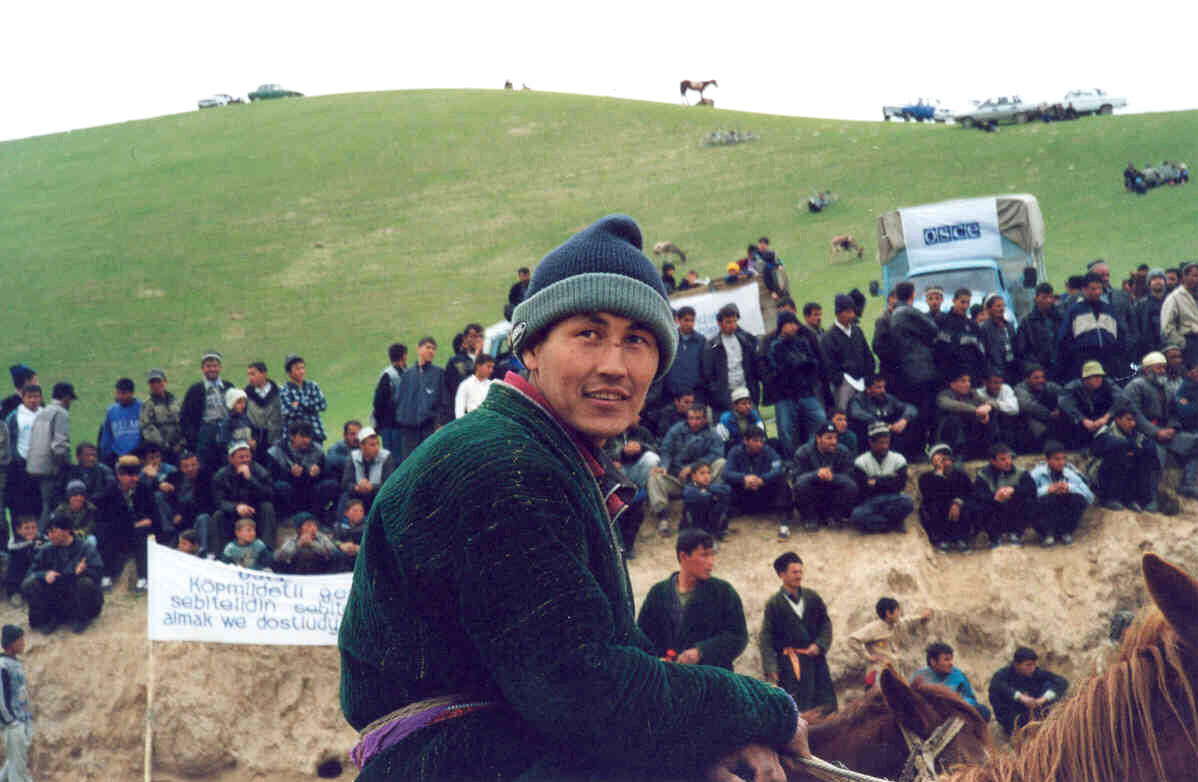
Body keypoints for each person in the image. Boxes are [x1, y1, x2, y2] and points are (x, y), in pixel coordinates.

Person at [339, 214, 811, 781]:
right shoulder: (501, 465)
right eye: (588, 334)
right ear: (531, 347)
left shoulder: (548, 457)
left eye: (636, 340)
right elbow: (582, 688)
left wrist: (708, 740)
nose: (613, 364)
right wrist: (765, 709)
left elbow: (615, 654)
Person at [636, 528, 748, 671]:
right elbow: (643, 637)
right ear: (683, 557)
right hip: (670, 679)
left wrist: (701, 651)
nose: (711, 562)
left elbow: (738, 637)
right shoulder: (658, 593)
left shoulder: (723, 592)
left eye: (712, 555)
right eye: (704, 555)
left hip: (713, 680)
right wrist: (658, 661)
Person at [760, 551, 837, 714]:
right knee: (799, 711)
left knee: (825, 707)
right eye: (794, 572)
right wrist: (771, 667)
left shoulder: (812, 597)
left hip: (816, 661)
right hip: (790, 666)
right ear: (782, 575)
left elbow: (825, 623)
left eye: (800, 572)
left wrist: (819, 644)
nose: (799, 576)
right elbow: (766, 638)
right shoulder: (774, 604)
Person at [649, 405, 725, 535]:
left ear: (705, 419)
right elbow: (666, 450)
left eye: (698, 419)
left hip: (702, 479)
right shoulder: (676, 430)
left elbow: (716, 454)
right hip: (677, 478)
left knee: (721, 463)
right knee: (654, 477)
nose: (694, 422)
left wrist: (693, 467)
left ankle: (713, 501)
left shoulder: (713, 434)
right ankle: (662, 517)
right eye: (691, 418)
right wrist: (664, 467)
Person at [22, 516, 103, 634]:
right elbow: (30, 573)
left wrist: (84, 571)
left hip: (77, 596)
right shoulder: (46, 550)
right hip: (55, 596)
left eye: (53, 531)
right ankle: (49, 618)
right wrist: (44, 574)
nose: (50, 536)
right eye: (48, 532)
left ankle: (82, 618)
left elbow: (99, 572)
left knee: (85, 582)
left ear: (66, 530)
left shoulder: (85, 547)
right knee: (29, 583)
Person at [96, 454, 163, 592]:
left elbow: (154, 518)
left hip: (139, 534)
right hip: (116, 535)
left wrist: (141, 524)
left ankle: (143, 578)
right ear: (119, 475)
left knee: (143, 535)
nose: (135, 479)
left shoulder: (144, 490)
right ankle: (106, 575)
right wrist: (136, 524)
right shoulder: (109, 493)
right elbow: (107, 520)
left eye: (136, 474)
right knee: (106, 533)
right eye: (130, 475)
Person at [768, 310, 825, 457]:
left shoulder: (802, 342)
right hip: (785, 396)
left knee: (820, 420)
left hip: (805, 392)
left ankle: (811, 454)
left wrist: (799, 365)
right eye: (790, 324)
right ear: (782, 326)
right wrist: (800, 364)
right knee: (785, 431)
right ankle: (790, 461)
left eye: (795, 323)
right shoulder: (775, 346)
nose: (795, 327)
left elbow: (813, 363)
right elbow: (781, 369)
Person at [889, 282, 940, 444]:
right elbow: (933, 329)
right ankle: (930, 444)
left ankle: (917, 447)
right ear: (912, 295)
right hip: (921, 368)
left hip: (905, 370)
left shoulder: (894, 314)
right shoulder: (908, 312)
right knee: (927, 410)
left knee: (914, 410)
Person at [788, 422, 857, 534]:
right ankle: (810, 517)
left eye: (835, 437)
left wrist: (833, 477)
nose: (834, 442)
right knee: (801, 486)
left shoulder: (843, 451)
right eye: (829, 438)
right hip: (813, 493)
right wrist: (815, 475)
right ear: (818, 438)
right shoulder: (803, 452)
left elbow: (850, 476)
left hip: (832, 492)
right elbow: (795, 479)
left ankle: (834, 516)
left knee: (851, 486)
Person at [847, 597, 932, 687]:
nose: (899, 613)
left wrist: (921, 617)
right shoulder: (873, 628)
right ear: (888, 613)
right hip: (878, 674)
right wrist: (868, 656)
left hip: (893, 672)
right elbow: (852, 639)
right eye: (897, 610)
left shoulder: (896, 624)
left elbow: (907, 620)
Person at [210, 441, 277, 554]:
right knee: (218, 515)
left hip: (255, 511)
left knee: (267, 507)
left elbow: (270, 494)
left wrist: (251, 479)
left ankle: (267, 551)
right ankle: (221, 554)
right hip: (234, 514)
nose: (245, 460)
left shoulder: (260, 471)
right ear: (231, 459)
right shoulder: (221, 476)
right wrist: (236, 507)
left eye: (247, 456)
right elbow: (218, 501)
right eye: (241, 457)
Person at [1089, 403, 1158, 512]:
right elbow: (1107, 443)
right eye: (1129, 420)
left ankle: (1135, 499)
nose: (1133, 424)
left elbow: (1149, 446)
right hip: (1100, 478)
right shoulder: (1106, 431)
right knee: (1118, 454)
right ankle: (1110, 498)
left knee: (1144, 457)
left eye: (1134, 420)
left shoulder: (1135, 434)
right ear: (1117, 419)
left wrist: (1138, 450)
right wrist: (1130, 445)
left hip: (1125, 478)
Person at [1058, 272, 1126, 381]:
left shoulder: (1109, 310)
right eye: (1093, 289)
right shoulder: (1075, 311)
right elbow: (1064, 339)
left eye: (1099, 288)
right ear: (1084, 290)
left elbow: (1121, 336)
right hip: (1083, 363)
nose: (1097, 292)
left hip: (1108, 362)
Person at [26, 382, 75, 531]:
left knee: (43, 506)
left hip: (34, 467)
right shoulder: (61, 413)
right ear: (66, 398)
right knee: (51, 507)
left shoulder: (42, 411)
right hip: (50, 469)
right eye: (70, 399)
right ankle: (42, 539)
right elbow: (59, 446)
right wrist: (67, 465)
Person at [988, 647, 1068, 736]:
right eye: (1028, 665)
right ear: (1016, 664)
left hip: (1033, 711)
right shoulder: (1002, 675)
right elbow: (999, 687)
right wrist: (1020, 697)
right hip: (1011, 716)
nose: (1032, 668)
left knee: (1050, 685)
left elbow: (1061, 681)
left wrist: (1043, 699)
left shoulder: (1035, 672)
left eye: (1034, 664)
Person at [850, 423, 914, 533]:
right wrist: (889, 480)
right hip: (870, 501)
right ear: (871, 442)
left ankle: (880, 524)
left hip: (893, 499)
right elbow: (863, 488)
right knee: (857, 515)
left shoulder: (899, 459)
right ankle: (892, 524)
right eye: (881, 443)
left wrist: (875, 481)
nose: (885, 446)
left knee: (907, 502)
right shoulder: (861, 462)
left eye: (887, 442)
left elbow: (900, 485)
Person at [267, 421, 338, 519]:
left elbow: (330, 475)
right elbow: (271, 478)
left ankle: (317, 516)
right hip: (290, 492)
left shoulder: (318, 450)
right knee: (280, 487)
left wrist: (319, 472)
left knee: (331, 484)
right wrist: (289, 474)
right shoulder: (276, 451)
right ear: (292, 437)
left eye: (309, 437)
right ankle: (289, 518)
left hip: (311, 491)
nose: (307, 441)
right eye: (303, 437)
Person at [395, 337, 450, 462]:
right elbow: (399, 401)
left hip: (429, 429)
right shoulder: (407, 375)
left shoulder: (439, 374)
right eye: (428, 347)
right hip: (409, 433)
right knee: (410, 465)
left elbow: (444, 401)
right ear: (418, 349)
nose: (431, 351)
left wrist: (439, 423)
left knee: (430, 463)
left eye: (434, 349)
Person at [1028, 441, 1094, 545]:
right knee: (1046, 499)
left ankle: (1066, 532)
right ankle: (1047, 533)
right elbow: (1025, 494)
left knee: (1078, 499)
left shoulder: (1069, 472)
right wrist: (1047, 490)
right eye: (1057, 459)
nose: (1061, 462)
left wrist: (1069, 488)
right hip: (1045, 515)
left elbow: (1090, 497)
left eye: (1063, 458)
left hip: (1064, 514)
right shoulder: (1037, 473)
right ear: (1047, 460)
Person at [702, 304, 761, 419]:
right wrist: (718, 396)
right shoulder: (712, 345)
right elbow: (708, 375)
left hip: (746, 393)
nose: (733, 325)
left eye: (734, 321)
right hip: (725, 398)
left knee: (755, 430)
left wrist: (753, 390)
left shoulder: (745, 340)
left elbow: (754, 366)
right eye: (728, 322)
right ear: (719, 323)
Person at [971, 443, 1036, 546]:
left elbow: (1031, 489)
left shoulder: (1021, 472)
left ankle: (1015, 534)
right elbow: (978, 495)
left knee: (1029, 502)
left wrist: (1014, 490)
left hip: (1014, 510)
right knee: (981, 507)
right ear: (992, 461)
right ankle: (994, 537)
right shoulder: (983, 475)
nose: (1008, 462)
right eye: (1003, 459)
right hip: (995, 510)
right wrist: (995, 497)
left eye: (1009, 458)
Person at [820, 294, 875, 412]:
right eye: (848, 312)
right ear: (839, 313)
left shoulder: (857, 331)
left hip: (862, 382)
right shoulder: (828, 337)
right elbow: (829, 365)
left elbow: (867, 355)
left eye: (853, 312)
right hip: (844, 385)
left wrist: (868, 378)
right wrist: (841, 380)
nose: (852, 315)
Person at [913, 642, 991, 722]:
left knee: (983, 711)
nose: (951, 663)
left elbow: (970, 698)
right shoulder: (919, 676)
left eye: (951, 659)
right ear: (933, 662)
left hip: (956, 714)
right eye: (946, 659)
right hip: (930, 716)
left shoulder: (957, 675)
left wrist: (959, 701)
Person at [917, 443, 975, 552]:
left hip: (957, 509)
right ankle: (940, 540)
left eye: (948, 460)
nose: (946, 463)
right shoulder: (926, 478)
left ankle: (961, 539)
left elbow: (969, 492)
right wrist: (939, 475)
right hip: (939, 510)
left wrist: (958, 503)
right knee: (933, 507)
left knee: (967, 507)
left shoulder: (960, 475)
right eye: (942, 460)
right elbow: (931, 496)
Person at [180, 351, 234, 468]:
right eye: (208, 366)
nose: (212, 369)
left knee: (228, 466)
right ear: (202, 368)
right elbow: (185, 418)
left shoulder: (229, 387)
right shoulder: (195, 390)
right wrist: (194, 439)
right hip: (205, 436)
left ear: (220, 367)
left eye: (215, 366)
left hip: (227, 432)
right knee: (205, 468)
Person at [846, 374, 919, 459]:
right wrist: (883, 425)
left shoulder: (888, 398)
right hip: (868, 435)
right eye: (878, 387)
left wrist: (904, 420)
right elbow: (857, 414)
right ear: (868, 389)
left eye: (883, 387)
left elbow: (910, 408)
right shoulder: (857, 400)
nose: (883, 390)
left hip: (890, 433)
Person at [721, 427, 786, 520]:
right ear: (745, 441)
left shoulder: (768, 451)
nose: (759, 444)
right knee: (726, 486)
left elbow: (778, 469)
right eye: (755, 441)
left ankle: (782, 511)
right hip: (744, 492)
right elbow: (726, 473)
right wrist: (743, 478)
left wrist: (762, 479)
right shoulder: (735, 452)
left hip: (763, 490)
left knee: (781, 479)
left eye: (761, 441)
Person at [1058, 360, 1123, 448]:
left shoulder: (1107, 384)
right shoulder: (1073, 387)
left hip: (1102, 422)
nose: (1099, 379)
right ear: (1086, 378)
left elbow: (1121, 398)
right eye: (1095, 376)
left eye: (1100, 376)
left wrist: (1106, 417)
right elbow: (1064, 403)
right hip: (1080, 424)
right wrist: (1083, 420)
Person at [935, 371, 998, 460]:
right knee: (953, 419)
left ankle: (994, 448)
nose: (968, 384)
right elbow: (951, 405)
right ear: (953, 384)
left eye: (968, 381)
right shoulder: (944, 395)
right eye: (963, 381)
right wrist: (976, 410)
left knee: (991, 415)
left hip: (970, 434)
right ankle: (958, 453)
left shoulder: (972, 394)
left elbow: (992, 402)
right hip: (950, 437)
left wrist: (987, 406)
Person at [934, 288, 988, 388]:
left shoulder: (972, 325)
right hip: (947, 378)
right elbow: (936, 349)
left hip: (969, 377)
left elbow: (980, 353)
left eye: (968, 303)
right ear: (954, 300)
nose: (965, 306)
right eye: (962, 302)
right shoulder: (941, 320)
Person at [5, 384, 43, 524]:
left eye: (36, 397)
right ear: (23, 398)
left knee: (38, 505)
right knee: (20, 506)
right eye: (30, 397)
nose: (33, 400)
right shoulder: (14, 417)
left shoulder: (45, 414)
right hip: (21, 467)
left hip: (41, 468)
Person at [0, 624, 34, 781]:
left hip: (21, 721)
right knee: (18, 772)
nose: (23, 643)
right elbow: (1, 699)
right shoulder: (3, 666)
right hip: (13, 725)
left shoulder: (15, 663)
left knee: (14, 765)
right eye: (20, 640)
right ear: (11, 643)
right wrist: (11, 721)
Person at [338, 426, 395, 517]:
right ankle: (342, 525)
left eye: (377, 444)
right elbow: (345, 483)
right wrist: (357, 487)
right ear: (362, 446)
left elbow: (389, 484)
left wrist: (371, 487)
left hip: (377, 495)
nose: (376, 448)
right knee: (345, 497)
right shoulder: (353, 457)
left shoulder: (386, 456)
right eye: (372, 445)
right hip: (358, 495)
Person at [1013, 363, 1067, 454]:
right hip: (1028, 423)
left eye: (1042, 377)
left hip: (1049, 419)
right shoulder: (1020, 389)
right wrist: (1049, 414)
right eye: (1036, 378)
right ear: (1027, 379)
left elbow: (1065, 395)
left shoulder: (1049, 386)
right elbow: (1027, 405)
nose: (1040, 380)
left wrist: (1059, 408)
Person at [1016, 283, 1063, 380]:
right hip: (1038, 371)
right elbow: (1023, 351)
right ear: (1036, 298)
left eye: (1050, 297)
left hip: (1061, 367)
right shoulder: (1027, 322)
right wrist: (1035, 368)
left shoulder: (1060, 318)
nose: (1048, 301)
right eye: (1044, 297)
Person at [139, 369, 186, 463]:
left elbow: (183, 421)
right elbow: (147, 429)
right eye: (152, 383)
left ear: (165, 382)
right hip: (161, 451)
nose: (156, 385)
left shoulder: (176, 401)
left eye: (158, 381)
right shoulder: (147, 405)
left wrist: (181, 443)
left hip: (179, 448)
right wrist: (165, 445)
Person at [279, 354, 328, 444]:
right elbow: (288, 412)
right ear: (289, 372)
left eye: (302, 368)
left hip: (315, 434)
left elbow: (322, 405)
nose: (301, 371)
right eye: (297, 369)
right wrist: (310, 405)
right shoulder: (284, 390)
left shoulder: (313, 386)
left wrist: (300, 403)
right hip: (295, 439)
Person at [662, 306, 704, 408]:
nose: (689, 324)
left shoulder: (701, 341)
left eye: (692, 320)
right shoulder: (669, 339)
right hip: (671, 397)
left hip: (695, 396)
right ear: (678, 320)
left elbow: (705, 369)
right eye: (686, 320)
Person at [273, 513, 341, 574]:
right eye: (308, 526)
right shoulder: (292, 539)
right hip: (297, 573)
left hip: (320, 573)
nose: (313, 528)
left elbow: (334, 553)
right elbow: (277, 556)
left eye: (315, 525)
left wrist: (313, 544)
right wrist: (298, 545)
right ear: (299, 529)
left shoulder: (322, 537)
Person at [1160, 261, 1198, 367]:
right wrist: (1183, 344)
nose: (1197, 279)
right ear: (1184, 277)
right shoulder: (1174, 298)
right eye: (1195, 275)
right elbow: (1166, 328)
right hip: (1189, 344)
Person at [681, 461, 732, 538]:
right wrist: (711, 496)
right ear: (693, 477)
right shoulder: (689, 488)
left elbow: (727, 489)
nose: (706, 476)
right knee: (701, 501)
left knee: (723, 499)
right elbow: (696, 496)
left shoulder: (711, 486)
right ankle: (699, 534)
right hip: (695, 524)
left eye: (708, 473)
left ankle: (718, 530)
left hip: (710, 520)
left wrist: (708, 489)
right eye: (702, 473)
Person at [244, 361, 283, 461]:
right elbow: (243, 419)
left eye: (253, 374)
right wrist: (249, 438)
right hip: (255, 441)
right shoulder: (245, 395)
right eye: (249, 374)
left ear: (264, 374)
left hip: (276, 439)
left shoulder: (280, 392)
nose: (250, 377)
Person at [371, 344, 407, 452]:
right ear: (403, 356)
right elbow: (379, 402)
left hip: (396, 424)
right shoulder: (390, 375)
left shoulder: (398, 372)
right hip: (391, 425)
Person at [99, 378, 142, 465]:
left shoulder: (142, 407)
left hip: (138, 455)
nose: (120, 396)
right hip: (117, 456)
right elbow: (107, 436)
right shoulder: (111, 411)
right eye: (118, 393)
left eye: (123, 393)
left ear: (131, 393)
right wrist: (105, 454)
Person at [979, 296, 1020, 384]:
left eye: (1003, 306)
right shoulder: (984, 329)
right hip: (995, 375)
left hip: (1012, 372)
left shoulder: (1009, 326)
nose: (1001, 309)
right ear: (989, 309)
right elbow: (983, 355)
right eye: (998, 306)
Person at [714, 387, 765, 452]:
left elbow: (761, 436)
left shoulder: (754, 415)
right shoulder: (726, 419)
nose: (748, 406)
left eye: (749, 403)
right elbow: (722, 442)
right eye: (744, 404)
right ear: (734, 406)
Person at [1132, 269, 1168, 359]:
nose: (1158, 281)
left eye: (1160, 278)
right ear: (1149, 283)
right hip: (1149, 349)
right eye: (1154, 279)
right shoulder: (1141, 305)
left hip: (1169, 346)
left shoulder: (1171, 302)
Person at [5, 517, 42, 605]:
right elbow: (11, 547)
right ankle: (15, 593)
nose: (31, 531)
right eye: (26, 528)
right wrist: (30, 543)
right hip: (18, 575)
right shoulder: (15, 540)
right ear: (18, 530)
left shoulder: (41, 538)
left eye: (33, 528)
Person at [445, 324, 484, 405]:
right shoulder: (456, 360)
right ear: (465, 340)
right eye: (474, 336)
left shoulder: (486, 359)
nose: (478, 340)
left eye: (480, 336)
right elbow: (466, 382)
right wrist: (477, 357)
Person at [215, 388, 258, 458]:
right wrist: (243, 444)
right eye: (239, 402)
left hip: (249, 455)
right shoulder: (227, 422)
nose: (243, 405)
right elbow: (224, 443)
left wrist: (254, 441)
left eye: (244, 402)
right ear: (231, 404)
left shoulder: (246, 419)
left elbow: (254, 433)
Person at [454, 353, 495, 419]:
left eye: (492, 367)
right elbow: (459, 409)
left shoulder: (492, 385)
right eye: (488, 367)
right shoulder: (465, 385)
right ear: (478, 366)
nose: (491, 370)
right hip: (470, 422)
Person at [324, 420, 361, 485]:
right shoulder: (336, 449)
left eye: (359, 434)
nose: (356, 437)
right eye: (352, 434)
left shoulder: (363, 447)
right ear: (345, 435)